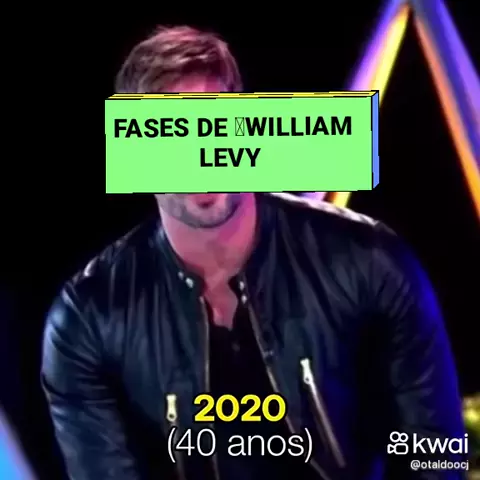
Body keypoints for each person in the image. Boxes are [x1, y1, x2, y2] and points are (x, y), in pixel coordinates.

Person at [41, 26, 466, 480]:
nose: (201, 152)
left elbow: (435, 455)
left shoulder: (371, 261)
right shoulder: (88, 316)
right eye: (171, 131)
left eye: (215, 122)